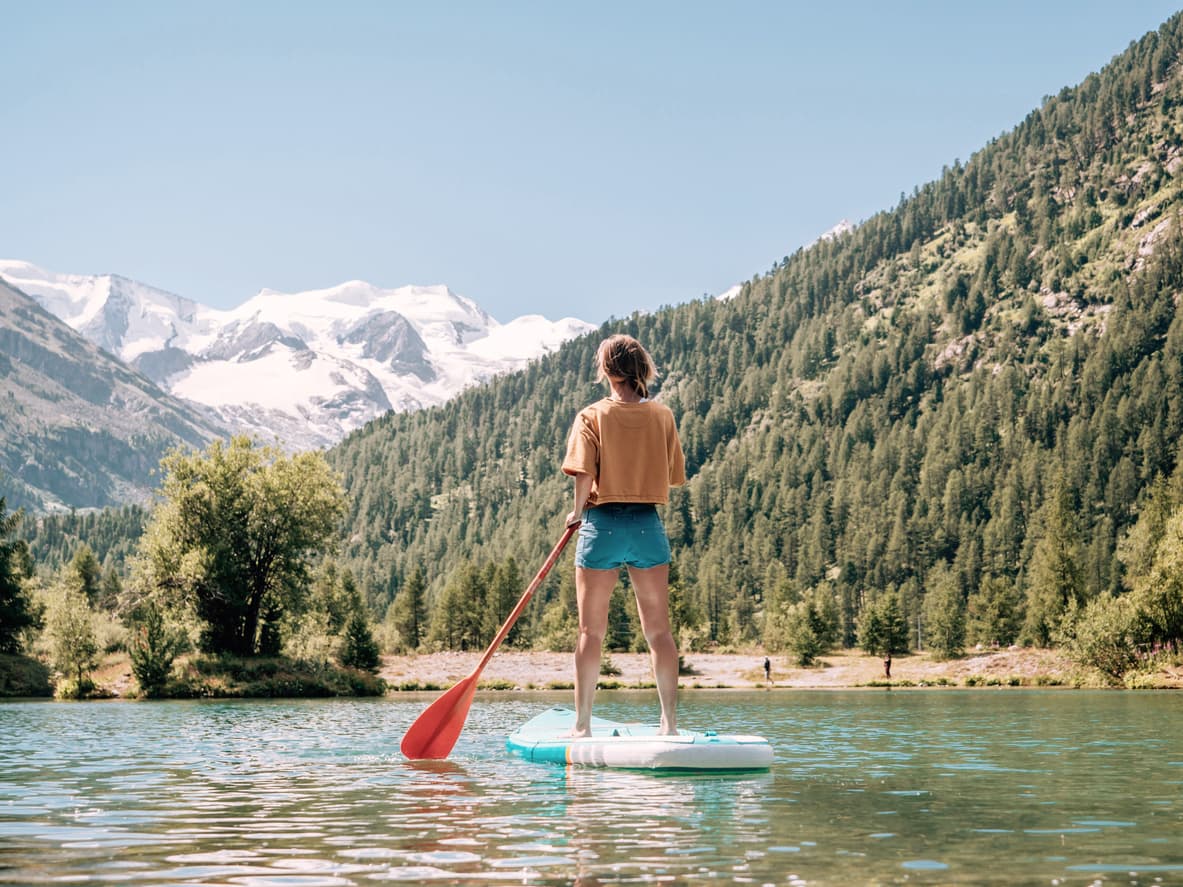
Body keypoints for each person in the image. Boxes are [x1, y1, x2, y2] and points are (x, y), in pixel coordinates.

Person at [562, 334, 686, 737]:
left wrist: (575, 513)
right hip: (647, 526)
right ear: (639, 370)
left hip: (602, 524)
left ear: (607, 371)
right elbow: (672, 475)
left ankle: (582, 726)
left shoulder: (591, 416)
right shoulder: (663, 415)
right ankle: (668, 725)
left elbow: (584, 473)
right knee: (659, 631)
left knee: (590, 632)